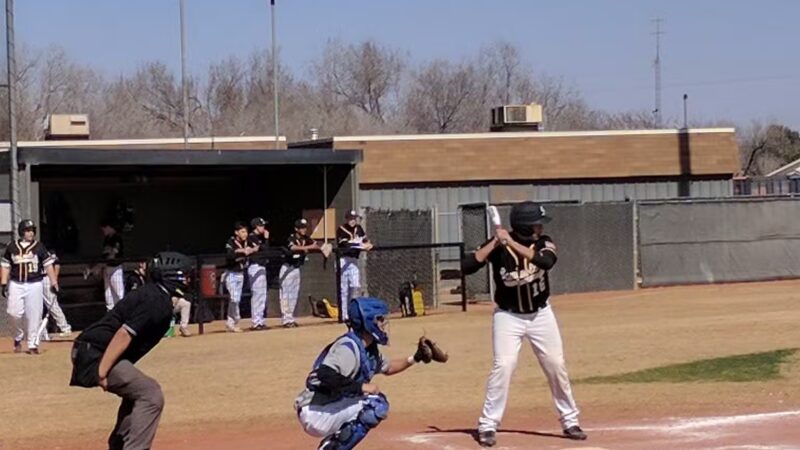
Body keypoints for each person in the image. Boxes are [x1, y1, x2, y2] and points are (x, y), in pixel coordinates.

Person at [461, 202, 586, 447]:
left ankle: (570, 420)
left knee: (555, 366)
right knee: (503, 366)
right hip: (508, 317)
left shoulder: (544, 242)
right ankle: (487, 425)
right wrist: (496, 243)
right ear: (525, 225)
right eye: (537, 223)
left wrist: (512, 244)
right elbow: (468, 266)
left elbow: (545, 262)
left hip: (541, 315)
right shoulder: (498, 244)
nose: (540, 227)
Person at [69, 252, 193, 450]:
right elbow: (123, 334)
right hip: (95, 352)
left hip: (95, 349)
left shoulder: (157, 295)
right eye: (184, 275)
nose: (188, 279)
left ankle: (119, 445)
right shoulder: (156, 300)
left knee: (136, 395)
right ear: (170, 276)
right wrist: (101, 371)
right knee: (151, 395)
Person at [294, 297, 428, 449]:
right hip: (316, 410)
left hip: (327, 406)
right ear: (368, 321)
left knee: (375, 400)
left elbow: (388, 367)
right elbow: (325, 375)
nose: (383, 324)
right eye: (380, 319)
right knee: (376, 404)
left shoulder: (368, 349)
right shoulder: (348, 348)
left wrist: (415, 358)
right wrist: (361, 387)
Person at [1, 220, 59, 354]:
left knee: (34, 315)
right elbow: (5, 265)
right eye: (27, 230)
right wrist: (4, 283)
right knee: (13, 313)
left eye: (32, 230)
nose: (31, 233)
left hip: (35, 283)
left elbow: (48, 265)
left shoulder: (39, 247)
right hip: (16, 283)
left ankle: (33, 343)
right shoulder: (12, 247)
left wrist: (54, 283)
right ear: (22, 232)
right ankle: (18, 336)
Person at [279, 218, 318, 328]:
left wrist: (322, 247)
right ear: (296, 229)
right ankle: (286, 319)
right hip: (287, 268)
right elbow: (292, 247)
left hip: (297, 268)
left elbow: (315, 244)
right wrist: (306, 248)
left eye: (305, 227)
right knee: (285, 294)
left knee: (294, 294)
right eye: (301, 228)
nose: (303, 230)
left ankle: (290, 318)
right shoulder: (291, 237)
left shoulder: (306, 238)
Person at [336, 210, 373, 322]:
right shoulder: (341, 229)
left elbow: (365, 240)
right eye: (350, 218)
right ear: (346, 219)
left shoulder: (359, 228)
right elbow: (345, 244)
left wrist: (368, 243)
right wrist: (360, 245)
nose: (352, 221)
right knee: (343, 289)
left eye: (354, 218)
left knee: (355, 286)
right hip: (343, 260)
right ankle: (343, 315)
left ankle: (353, 313)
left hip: (354, 260)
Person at [224, 222, 253, 333]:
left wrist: (252, 249)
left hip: (240, 273)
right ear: (236, 232)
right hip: (231, 273)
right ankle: (236, 320)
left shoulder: (247, 241)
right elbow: (229, 254)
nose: (245, 234)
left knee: (236, 300)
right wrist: (241, 251)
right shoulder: (231, 241)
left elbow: (257, 248)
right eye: (242, 232)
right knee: (234, 299)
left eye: (246, 231)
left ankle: (230, 323)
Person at [41, 251, 72, 337]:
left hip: (46, 277)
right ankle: (42, 332)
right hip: (34, 279)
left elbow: (57, 264)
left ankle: (65, 328)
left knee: (52, 305)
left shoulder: (47, 251)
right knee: (35, 308)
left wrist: (54, 280)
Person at [247, 217, 270, 330]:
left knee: (262, 295)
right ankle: (256, 322)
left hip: (261, 266)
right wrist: (266, 239)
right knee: (257, 295)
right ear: (256, 226)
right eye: (261, 226)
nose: (263, 227)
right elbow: (263, 249)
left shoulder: (259, 238)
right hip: (255, 266)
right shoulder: (251, 237)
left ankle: (260, 321)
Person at [101, 221, 125, 310]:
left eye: (104, 228)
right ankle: (110, 313)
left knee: (118, 293)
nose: (103, 231)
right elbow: (104, 254)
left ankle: (122, 313)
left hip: (115, 268)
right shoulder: (107, 239)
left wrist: (101, 264)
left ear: (109, 227)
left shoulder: (117, 239)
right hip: (107, 267)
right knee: (108, 294)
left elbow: (113, 253)